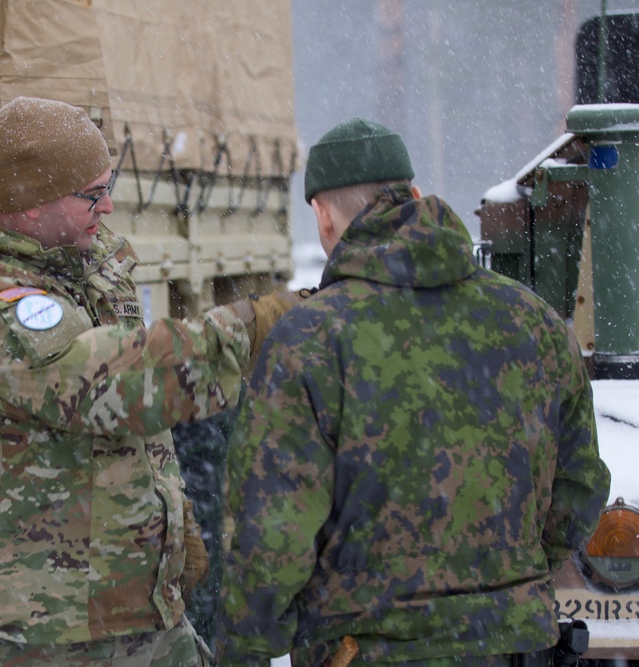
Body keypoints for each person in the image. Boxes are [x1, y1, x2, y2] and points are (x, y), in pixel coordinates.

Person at [0, 96, 299, 667]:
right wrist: (253, 329)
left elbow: (136, 429)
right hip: (29, 629)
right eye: (91, 193)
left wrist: (171, 521)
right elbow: (108, 384)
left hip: (128, 608)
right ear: (31, 204)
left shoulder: (85, 263)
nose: (108, 206)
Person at [215, 118, 611, 666]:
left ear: (322, 215)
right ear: (417, 196)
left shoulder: (311, 338)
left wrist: (245, 650)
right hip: (514, 644)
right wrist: (503, 585)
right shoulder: (532, 320)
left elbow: (272, 534)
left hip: (369, 649)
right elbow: (581, 485)